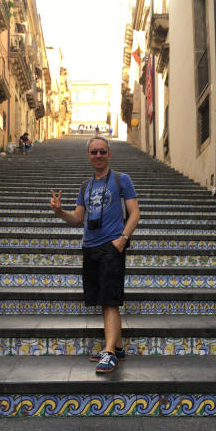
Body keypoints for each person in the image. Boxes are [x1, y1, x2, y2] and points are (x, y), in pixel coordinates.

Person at [49, 137, 140, 373]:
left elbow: (135, 213)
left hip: (112, 246)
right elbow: (78, 218)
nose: (98, 155)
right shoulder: (85, 186)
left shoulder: (122, 179)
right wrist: (60, 212)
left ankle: (109, 353)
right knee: (102, 299)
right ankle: (117, 347)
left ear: (109, 154)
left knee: (110, 301)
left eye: (102, 151)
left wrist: (122, 240)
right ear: (88, 156)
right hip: (90, 247)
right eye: (93, 152)